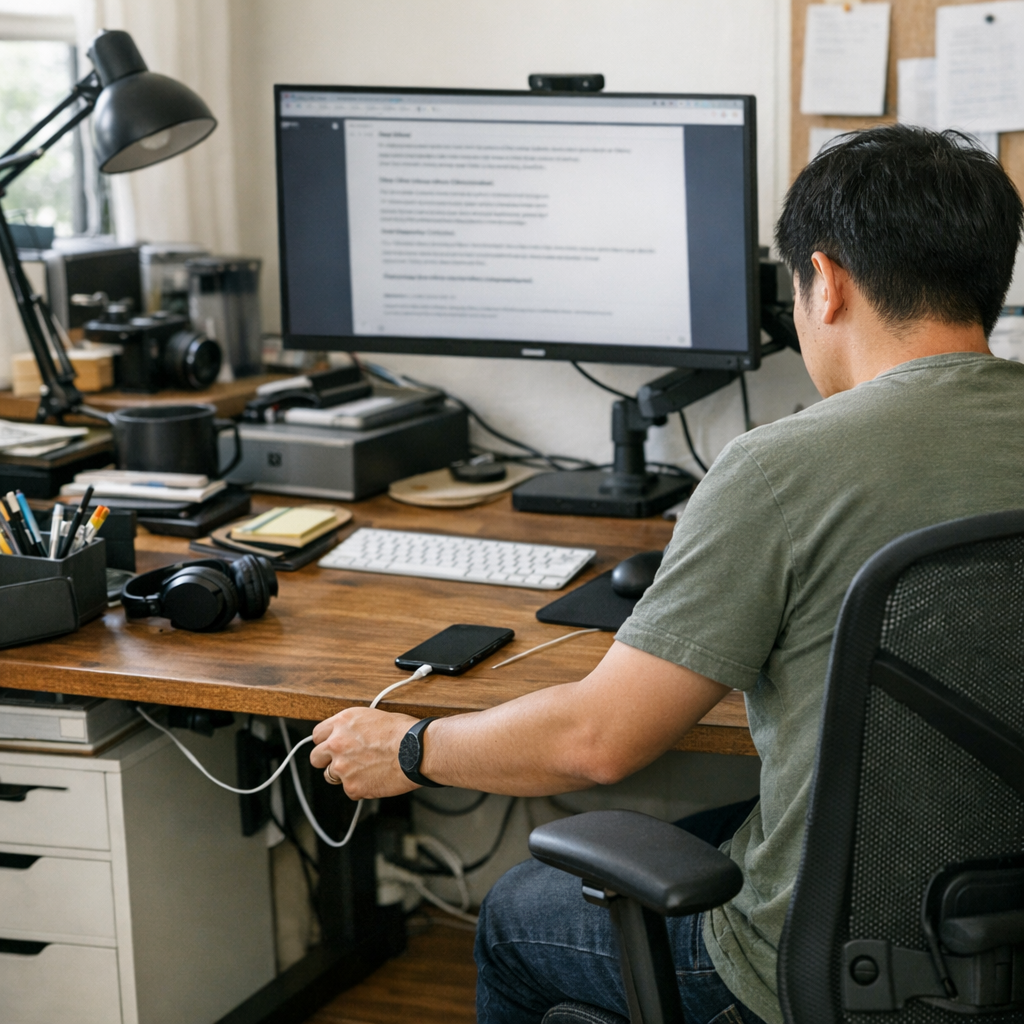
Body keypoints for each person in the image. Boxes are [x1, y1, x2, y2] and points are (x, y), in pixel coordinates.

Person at [309, 126, 1024, 1024]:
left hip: (833, 967)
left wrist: (411, 750)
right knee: (710, 831)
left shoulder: (781, 469)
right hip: (999, 928)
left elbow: (597, 741)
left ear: (826, 282)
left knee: (515, 915)